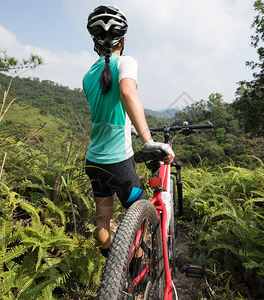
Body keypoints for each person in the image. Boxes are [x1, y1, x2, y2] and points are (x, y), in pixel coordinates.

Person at [83, 5, 174, 257]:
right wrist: (147, 140)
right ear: (123, 39)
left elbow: (108, 114)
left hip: (94, 162)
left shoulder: (88, 75)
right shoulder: (126, 62)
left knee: (102, 221)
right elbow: (126, 93)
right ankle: (134, 269)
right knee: (142, 217)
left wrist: (130, 128)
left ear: (95, 43)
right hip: (117, 164)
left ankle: (114, 269)